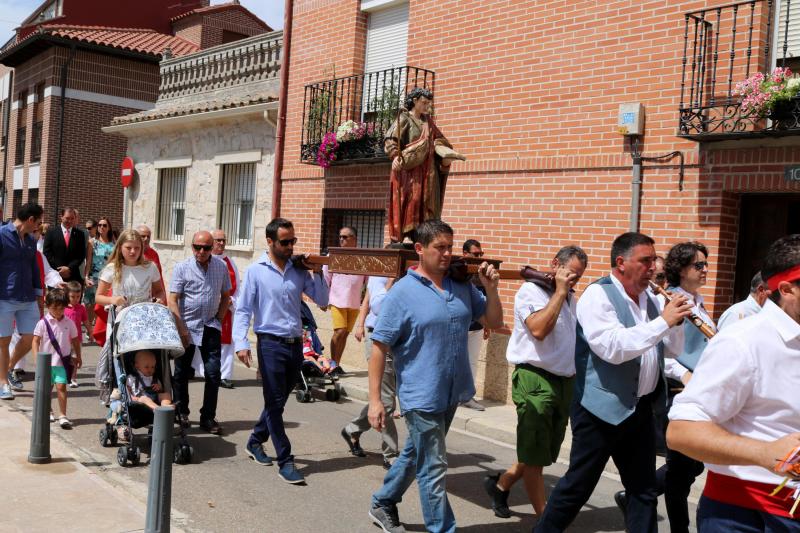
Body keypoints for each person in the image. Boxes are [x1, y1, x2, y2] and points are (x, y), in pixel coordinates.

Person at [534, 232, 693, 533]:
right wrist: (663, 322)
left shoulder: (651, 300)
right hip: (600, 409)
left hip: (640, 409)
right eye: (645, 260)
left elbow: (670, 350)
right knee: (577, 488)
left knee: (643, 492)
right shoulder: (598, 295)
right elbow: (613, 348)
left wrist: (676, 323)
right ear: (621, 262)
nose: (653, 267)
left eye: (653, 260)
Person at [367, 219, 503, 533]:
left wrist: (492, 290)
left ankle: (383, 500)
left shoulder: (461, 286)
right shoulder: (401, 293)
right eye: (439, 247)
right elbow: (379, 348)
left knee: (417, 452)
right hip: (420, 394)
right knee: (434, 466)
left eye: (449, 247)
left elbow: (492, 320)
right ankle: (442, 528)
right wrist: (376, 401)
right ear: (419, 249)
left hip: (453, 391)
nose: (446, 254)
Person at [667, 234, 800, 531]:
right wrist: (763, 452)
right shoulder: (743, 340)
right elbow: (681, 431)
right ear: (788, 289)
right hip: (748, 513)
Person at [615, 241, 716, 532]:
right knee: (682, 470)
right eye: (699, 265)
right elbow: (660, 351)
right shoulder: (668, 299)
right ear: (682, 269)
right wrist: (685, 376)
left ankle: (634, 496)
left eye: (705, 264)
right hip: (677, 391)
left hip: (699, 392)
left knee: (690, 466)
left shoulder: (697, 300)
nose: (705, 269)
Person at [484, 245, 587, 519]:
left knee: (541, 451)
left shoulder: (571, 299)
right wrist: (561, 292)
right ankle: (546, 520)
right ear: (555, 264)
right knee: (536, 455)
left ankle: (500, 484)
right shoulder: (531, 291)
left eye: (578, 277)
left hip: (564, 381)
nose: (573, 280)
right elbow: (539, 329)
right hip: (535, 378)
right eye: (570, 274)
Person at [233, 218, 328, 484]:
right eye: (285, 242)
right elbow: (243, 309)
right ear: (270, 242)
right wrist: (241, 342)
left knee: (278, 401)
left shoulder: (299, 271)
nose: (290, 246)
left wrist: (317, 271)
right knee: (275, 404)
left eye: (293, 241)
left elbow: (322, 300)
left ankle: (255, 441)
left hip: (295, 344)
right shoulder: (256, 271)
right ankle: (285, 460)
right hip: (270, 344)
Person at [168, 231, 231, 435]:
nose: (201, 251)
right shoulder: (182, 268)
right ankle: (181, 412)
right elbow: (172, 300)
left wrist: (219, 320)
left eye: (206, 247)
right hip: (186, 327)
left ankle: (208, 417)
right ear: (192, 246)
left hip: (210, 327)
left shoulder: (221, 267)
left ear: (212, 247)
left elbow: (226, 295)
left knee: (213, 374)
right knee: (181, 373)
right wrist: (181, 329)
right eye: (197, 247)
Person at [384, 88, 464, 242]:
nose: (427, 106)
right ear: (415, 101)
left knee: (427, 200)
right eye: (424, 102)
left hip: (428, 170)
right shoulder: (404, 118)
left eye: (429, 103)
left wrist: (442, 151)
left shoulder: (428, 121)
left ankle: (424, 235)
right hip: (409, 169)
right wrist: (394, 156)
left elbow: (440, 139)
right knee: (412, 200)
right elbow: (390, 139)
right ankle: (408, 234)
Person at [342, 274, 398, 470]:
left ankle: (352, 429)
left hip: (401, 339)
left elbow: (366, 299)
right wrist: (360, 324)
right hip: (379, 338)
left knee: (382, 398)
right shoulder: (382, 272)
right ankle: (390, 453)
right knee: (387, 401)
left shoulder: (413, 273)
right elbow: (375, 304)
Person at [0, 203, 44, 399]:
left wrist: (39, 294)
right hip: (4, 296)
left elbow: (34, 268)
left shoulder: (31, 241)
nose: (39, 226)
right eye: (39, 221)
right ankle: (2, 384)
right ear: (31, 220)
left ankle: (7, 369)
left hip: (27, 297)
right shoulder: (1, 235)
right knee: (3, 341)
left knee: (31, 337)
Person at [192, 229, 240, 388]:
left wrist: (232, 301)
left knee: (226, 342)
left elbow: (237, 288)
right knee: (201, 339)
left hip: (226, 309)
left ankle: (224, 375)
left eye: (223, 240)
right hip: (206, 308)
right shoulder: (201, 259)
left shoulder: (230, 263)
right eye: (218, 240)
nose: (221, 243)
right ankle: (200, 370)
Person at [31, 288, 82, 428]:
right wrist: (37, 358)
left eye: (61, 308)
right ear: (48, 306)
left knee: (62, 387)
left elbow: (76, 340)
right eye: (54, 308)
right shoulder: (43, 323)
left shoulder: (69, 323)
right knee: (46, 389)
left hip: (61, 362)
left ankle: (63, 415)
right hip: (46, 363)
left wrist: (78, 356)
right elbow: (35, 340)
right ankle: (48, 410)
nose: (58, 311)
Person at [322, 226, 367, 369]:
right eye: (340, 236)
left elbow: (367, 280)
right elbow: (325, 279)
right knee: (339, 332)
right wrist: (323, 299)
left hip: (354, 302)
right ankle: (332, 364)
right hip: (337, 300)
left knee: (345, 334)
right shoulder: (333, 256)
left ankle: (337, 364)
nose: (341, 239)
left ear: (354, 239)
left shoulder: (362, 257)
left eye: (345, 237)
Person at [95, 229, 166, 311]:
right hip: (120, 319)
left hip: (144, 318)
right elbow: (98, 297)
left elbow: (159, 291)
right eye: (128, 248)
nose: (133, 251)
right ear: (120, 247)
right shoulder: (112, 268)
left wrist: (159, 299)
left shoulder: (151, 267)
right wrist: (112, 300)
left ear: (141, 248)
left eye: (137, 248)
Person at [461, 238, 488, 411]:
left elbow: (487, 300)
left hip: (477, 326)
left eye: (481, 254)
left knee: (472, 363)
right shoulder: (458, 272)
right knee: (456, 361)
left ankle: (467, 396)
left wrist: (488, 326)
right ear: (465, 254)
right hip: (461, 326)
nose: (479, 257)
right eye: (475, 253)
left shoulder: (481, 272)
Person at [84, 216, 115, 326]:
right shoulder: (92, 242)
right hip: (94, 277)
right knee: (90, 304)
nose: (102, 227)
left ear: (109, 228)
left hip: (108, 279)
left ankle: (98, 327)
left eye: (105, 225)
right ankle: (89, 328)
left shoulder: (114, 244)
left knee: (102, 305)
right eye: (100, 225)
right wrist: (86, 277)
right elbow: (88, 261)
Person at [43, 207, 87, 284]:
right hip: (55, 276)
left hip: (73, 276)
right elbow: (47, 253)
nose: (69, 221)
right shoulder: (51, 232)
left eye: (72, 218)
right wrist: (60, 269)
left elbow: (81, 255)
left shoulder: (80, 234)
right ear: (61, 217)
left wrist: (69, 268)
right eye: (67, 218)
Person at [64, 281, 91, 388]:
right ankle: (65, 376)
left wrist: (90, 332)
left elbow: (86, 321)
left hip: (77, 339)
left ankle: (73, 378)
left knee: (75, 358)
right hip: (64, 339)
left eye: (78, 296)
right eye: (72, 296)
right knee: (65, 358)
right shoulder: (63, 308)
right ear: (67, 295)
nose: (75, 299)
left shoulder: (81, 308)